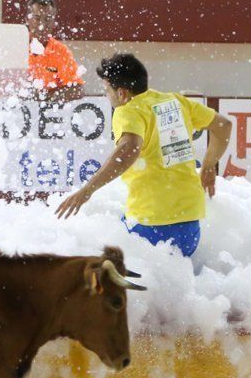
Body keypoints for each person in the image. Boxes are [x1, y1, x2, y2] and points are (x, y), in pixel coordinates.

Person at [56, 53, 233, 257]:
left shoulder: (128, 110)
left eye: (107, 91)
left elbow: (129, 148)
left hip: (150, 225)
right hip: (190, 226)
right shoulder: (175, 102)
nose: (107, 96)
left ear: (121, 93)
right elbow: (224, 125)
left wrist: (87, 189)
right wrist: (209, 165)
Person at [0, 0, 84, 102]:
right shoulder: (11, 43)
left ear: (54, 23)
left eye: (47, 19)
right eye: (37, 18)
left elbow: (77, 89)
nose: (42, 24)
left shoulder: (61, 51)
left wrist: (44, 97)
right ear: (27, 19)